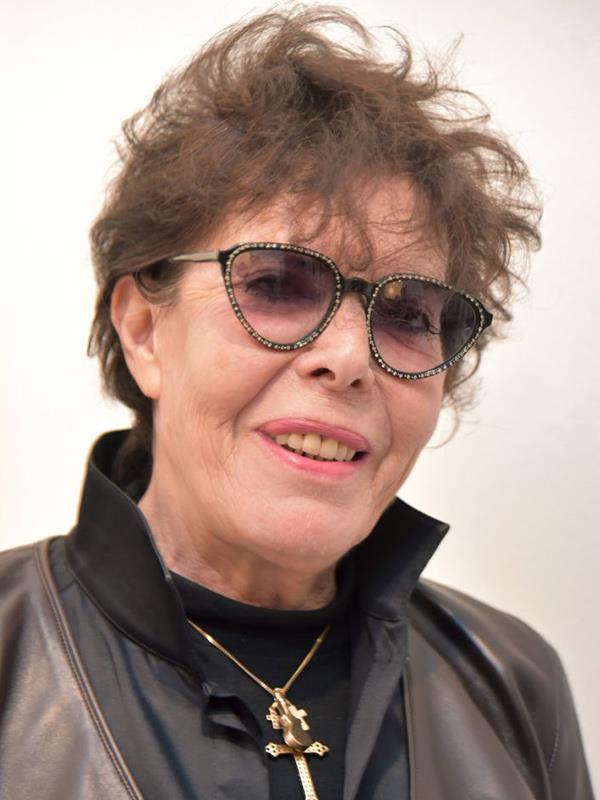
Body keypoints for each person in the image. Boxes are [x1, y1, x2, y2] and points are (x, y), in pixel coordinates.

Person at [0, 6, 593, 799]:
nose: (348, 360)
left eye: (410, 315)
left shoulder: (513, 684)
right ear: (144, 331)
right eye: (277, 284)